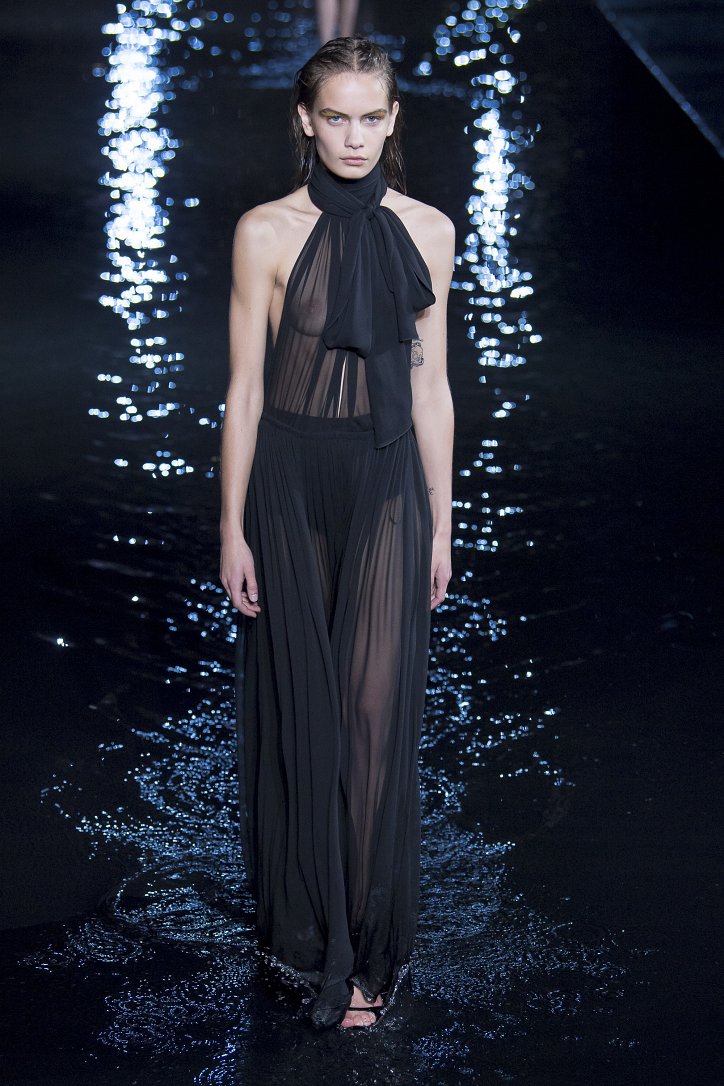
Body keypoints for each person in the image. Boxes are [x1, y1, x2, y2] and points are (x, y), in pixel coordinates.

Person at [219, 36, 454, 1031]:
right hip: (289, 479)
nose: (353, 136)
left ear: (393, 120)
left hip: (387, 478)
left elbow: (433, 387)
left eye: (370, 116)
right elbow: (242, 390)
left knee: (370, 712)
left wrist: (443, 522)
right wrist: (230, 528)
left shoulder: (430, 230)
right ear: (305, 121)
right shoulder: (265, 232)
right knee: (304, 712)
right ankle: (308, 933)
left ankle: (362, 955)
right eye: (335, 117)